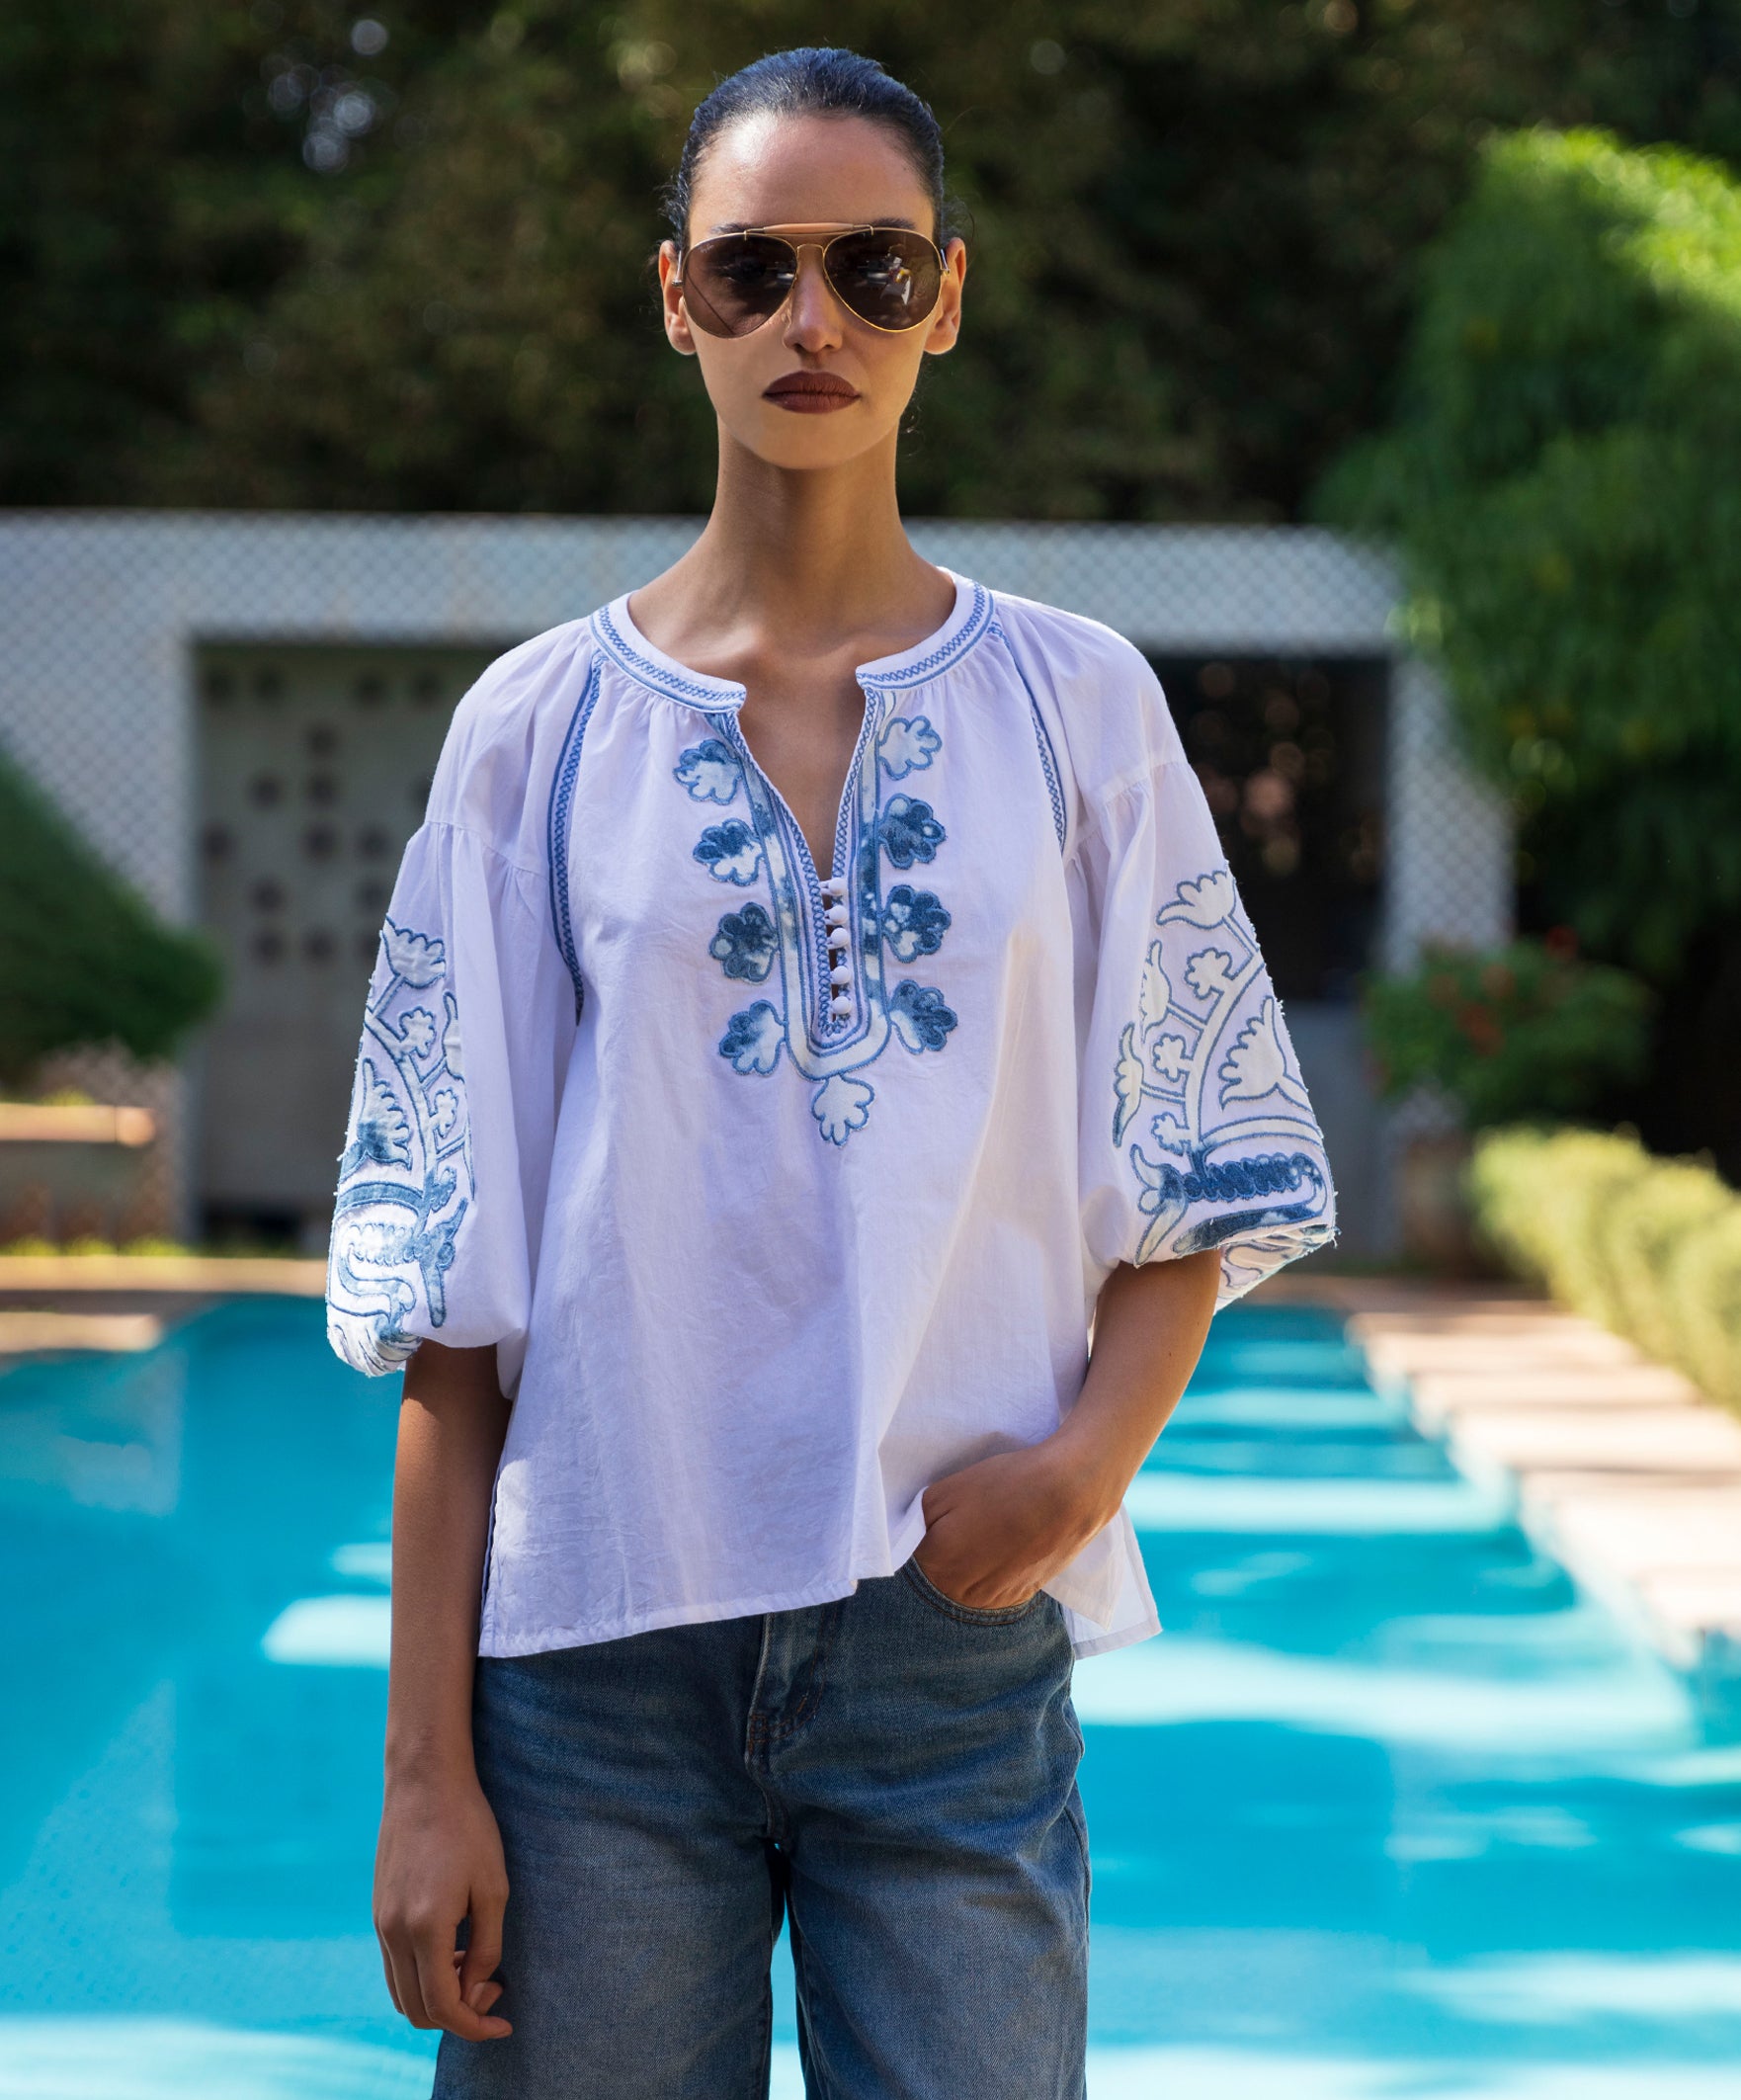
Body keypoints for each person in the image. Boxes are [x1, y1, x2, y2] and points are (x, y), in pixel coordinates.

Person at [325, 44, 1337, 2100]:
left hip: (946, 1659)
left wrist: (1075, 1477)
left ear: (945, 298)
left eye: (871, 270)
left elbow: (1205, 1173)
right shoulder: (531, 736)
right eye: (752, 270)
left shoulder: (1080, 708)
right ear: (671, 297)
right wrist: (423, 1769)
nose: (812, 321)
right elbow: (452, 1300)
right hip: (591, 1664)